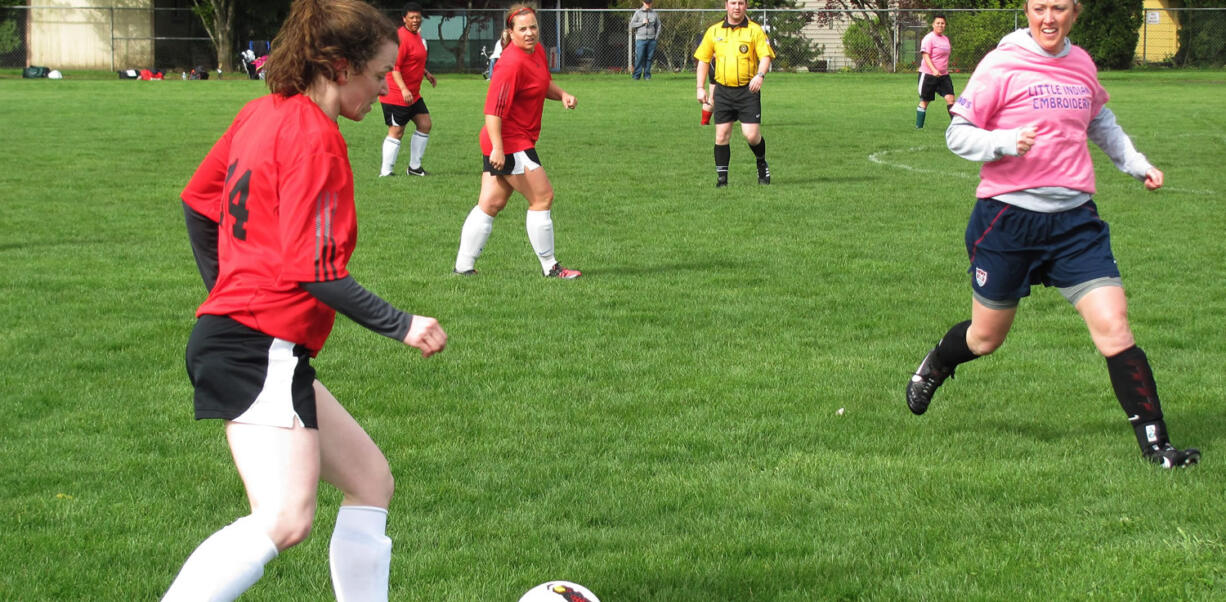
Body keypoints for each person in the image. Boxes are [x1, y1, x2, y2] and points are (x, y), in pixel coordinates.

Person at [164, 1, 448, 600]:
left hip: (256, 339)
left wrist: (225, 288)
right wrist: (402, 323)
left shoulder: (260, 113)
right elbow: (313, 271)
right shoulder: (317, 139)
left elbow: (197, 202)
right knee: (286, 517)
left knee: (370, 480)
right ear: (341, 67)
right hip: (256, 343)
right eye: (378, 74)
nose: (385, 89)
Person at [905, 0, 1199, 469]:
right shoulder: (1002, 62)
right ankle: (938, 363)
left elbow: (1101, 122)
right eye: (1039, 7)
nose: (1048, 18)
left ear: (1074, 13)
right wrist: (1005, 141)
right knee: (985, 338)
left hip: (1074, 224)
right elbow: (957, 134)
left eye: (1058, 8)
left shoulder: (1081, 64)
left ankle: (1158, 447)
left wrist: (1137, 164)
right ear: (1027, 10)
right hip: (1007, 221)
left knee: (1115, 327)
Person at [453, 5, 582, 279]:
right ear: (509, 33)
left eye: (533, 27)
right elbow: (492, 111)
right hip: (509, 140)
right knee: (542, 196)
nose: (529, 33)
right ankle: (551, 268)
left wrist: (562, 95)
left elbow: (540, 83)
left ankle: (463, 267)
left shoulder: (536, 51)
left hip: (513, 139)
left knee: (490, 203)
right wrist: (498, 148)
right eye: (522, 29)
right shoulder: (509, 64)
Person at [694, 0, 775, 188]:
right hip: (723, 91)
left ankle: (761, 162)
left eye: (740, 3)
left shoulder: (755, 30)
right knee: (721, 135)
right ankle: (722, 181)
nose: (736, 7)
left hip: (748, 91)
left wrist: (760, 76)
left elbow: (765, 56)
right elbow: (703, 60)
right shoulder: (714, 31)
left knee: (751, 135)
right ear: (726, 6)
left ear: (745, 6)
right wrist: (700, 87)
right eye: (733, 3)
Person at [378, 2, 437, 177]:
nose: (415, 20)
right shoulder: (401, 38)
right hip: (396, 94)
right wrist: (403, 89)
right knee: (396, 131)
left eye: (418, 17)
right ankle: (386, 171)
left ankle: (414, 167)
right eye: (411, 17)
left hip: (413, 93)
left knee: (425, 124)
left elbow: (413, 61)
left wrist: (426, 73)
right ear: (404, 18)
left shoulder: (416, 36)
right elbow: (395, 67)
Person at [916, 14, 954, 129]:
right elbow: (925, 55)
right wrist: (934, 70)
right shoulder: (929, 38)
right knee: (925, 101)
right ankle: (919, 128)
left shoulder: (945, 39)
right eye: (938, 23)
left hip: (943, 75)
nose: (940, 25)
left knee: (950, 98)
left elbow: (943, 57)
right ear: (933, 24)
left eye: (942, 23)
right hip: (928, 75)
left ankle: (956, 127)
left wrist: (944, 69)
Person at [629, 0, 661, 81]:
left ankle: (647, 76)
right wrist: (642, 23)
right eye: (646, 3)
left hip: (651, 40)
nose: (648, 4)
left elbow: (659, 25)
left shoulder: (654, 13)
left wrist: (656, 37)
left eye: (649, 3)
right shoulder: (638, 13)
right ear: (643, 3)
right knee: (639, 58)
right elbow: (632, 24)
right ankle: (636, 76)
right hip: (640, 39)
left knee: (649, 58)